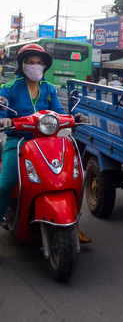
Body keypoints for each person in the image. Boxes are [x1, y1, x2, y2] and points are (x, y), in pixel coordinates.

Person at [0, 44, 91, 243]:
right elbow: (1, 110)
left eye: (39, 63)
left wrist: (73, 117)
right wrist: (4, 119)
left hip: (47, 141)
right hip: (18, 140)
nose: (34, 66)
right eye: (30, 63)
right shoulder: (8, 89)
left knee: (71, 178)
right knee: (4, 185)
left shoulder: (49, 88)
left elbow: (58, 112)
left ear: (44, 67)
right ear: (22, 65)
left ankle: (74, 223)